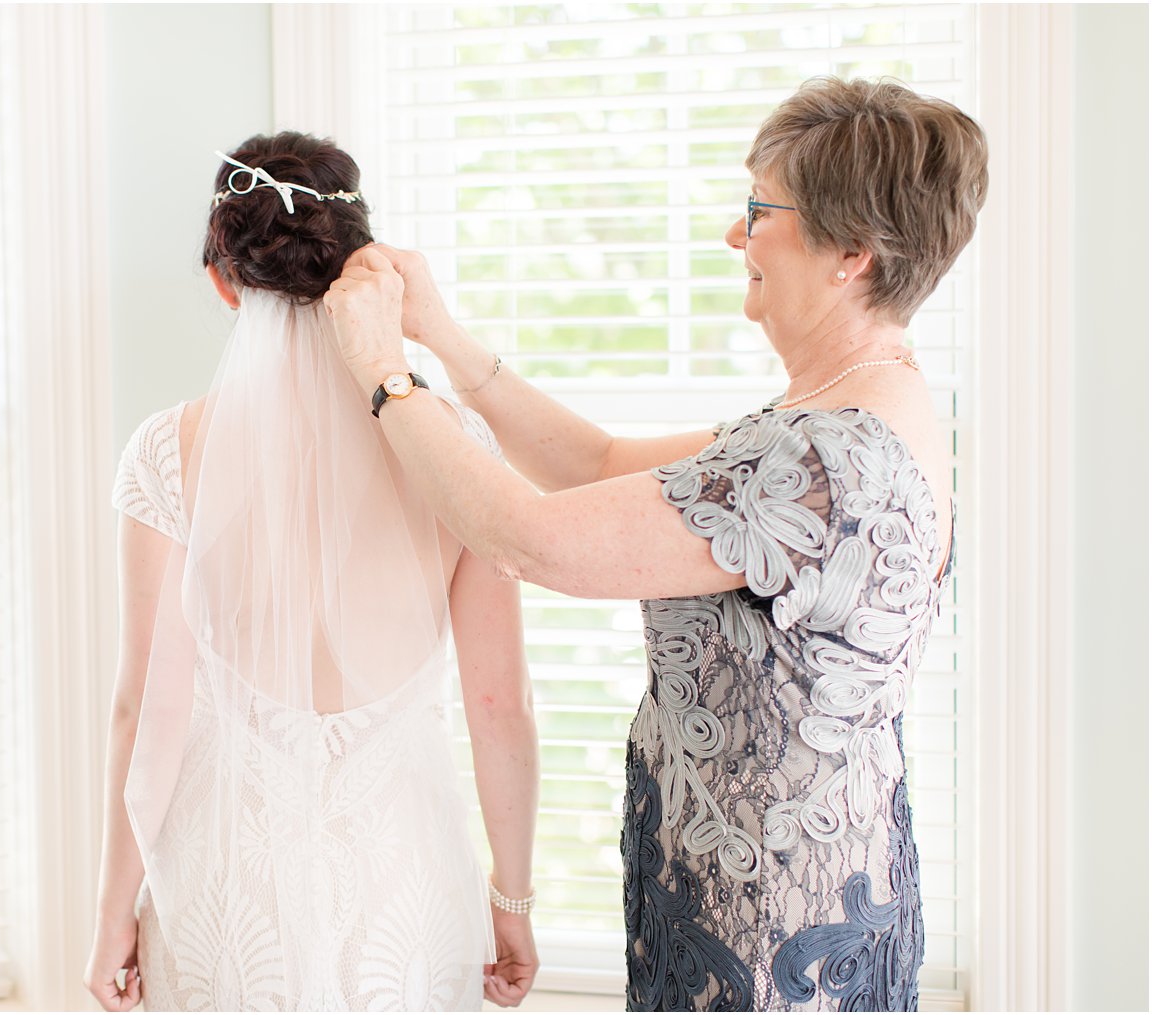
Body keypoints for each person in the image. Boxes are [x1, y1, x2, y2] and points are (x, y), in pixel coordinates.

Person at [325, 78, 986, 1011]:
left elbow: (528, 539)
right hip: (814, 884)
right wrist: (442, 336)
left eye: (759, 210)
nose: (734, 235)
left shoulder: (816, 458)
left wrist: (383, 375)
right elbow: (594, 460)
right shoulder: (859, 409)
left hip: (769, 937)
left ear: (851, 254)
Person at [83, 132, 540, 1012]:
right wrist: (512, 899)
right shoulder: (455, 445)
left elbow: (146, 707)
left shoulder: (168, 452)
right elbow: (501, 703)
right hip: (401, 872)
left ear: (224, 280)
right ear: (360, 266)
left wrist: (113, 913)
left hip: (226, 877)